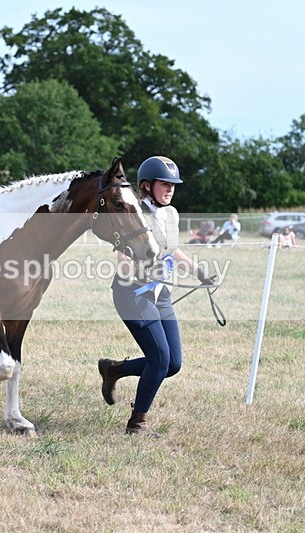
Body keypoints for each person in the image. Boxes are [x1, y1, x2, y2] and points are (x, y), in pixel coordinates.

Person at [98, 156, 216, 436]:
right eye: (165, 184)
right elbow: (122, 259)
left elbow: (172, 251)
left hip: (161, 294)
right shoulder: (134, 211)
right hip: (133, 294)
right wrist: (142, 272)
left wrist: (199, 272)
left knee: (172, 364)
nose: (170, 189)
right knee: (159, 359)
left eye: (173, 185)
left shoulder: (171, 214)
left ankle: (114, 370)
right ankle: (137, 424)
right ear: (147, 186)